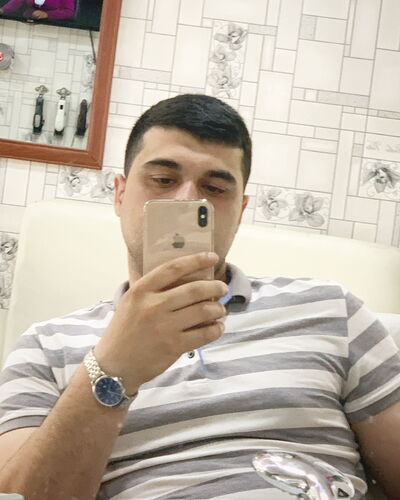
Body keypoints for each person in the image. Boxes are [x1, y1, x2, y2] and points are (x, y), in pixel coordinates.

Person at [0, 94, 399, 500]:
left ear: (239, 212)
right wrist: (113, 368)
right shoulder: (45, 347)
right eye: (163, 180)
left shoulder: (331, 310)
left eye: (215, 188)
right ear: (119, 195)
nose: (188, 200)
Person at [0, 0, 75, 20]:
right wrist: (3, 10)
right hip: (27, 21)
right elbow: (16, 2)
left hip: (52, 25)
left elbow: (68, 12)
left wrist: (46, 14)